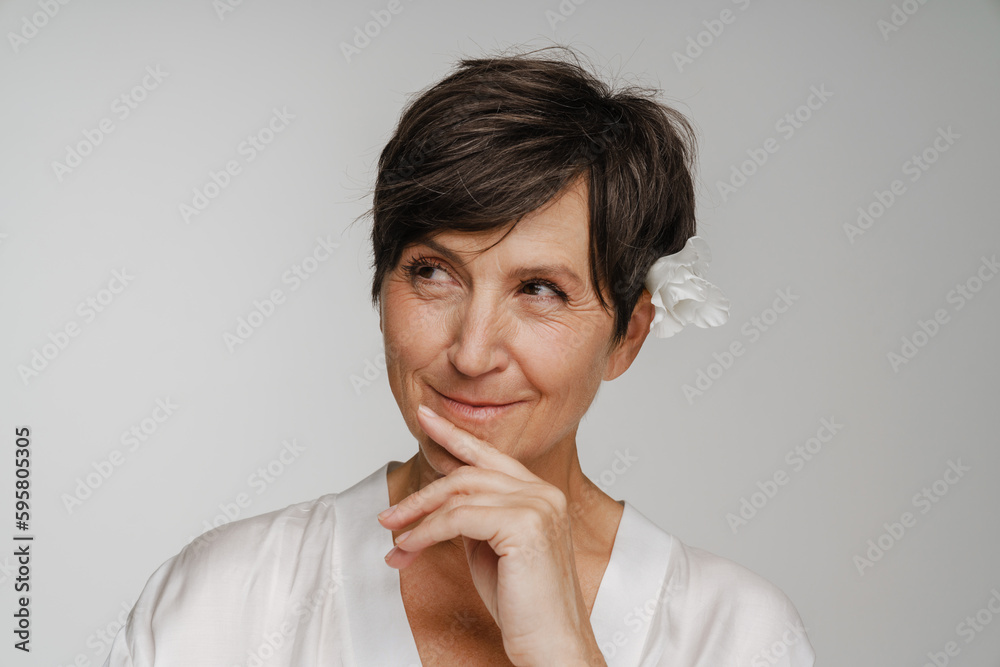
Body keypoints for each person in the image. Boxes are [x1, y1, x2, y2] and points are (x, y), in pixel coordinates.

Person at [104, 46, 816, 666]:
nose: (472, 354)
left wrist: (567, 652)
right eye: (433, 273)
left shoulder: (732, 634)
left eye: (539, 290)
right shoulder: (227, 597)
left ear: (628, 336)